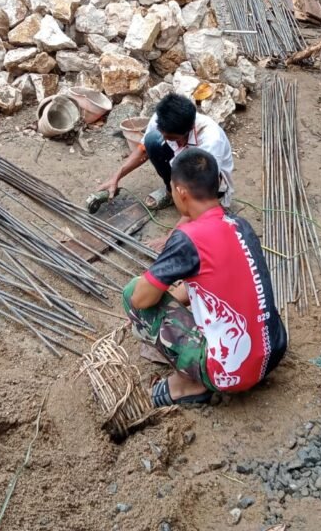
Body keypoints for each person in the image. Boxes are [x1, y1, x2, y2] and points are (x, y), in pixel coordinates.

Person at [123, 148, 287, 406]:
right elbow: (209, 285)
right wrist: (173, 301)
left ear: (181, 192)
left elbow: (141, 299)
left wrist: (156, 305)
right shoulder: (240, 224)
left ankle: (191, 385)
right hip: (274, 352)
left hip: (232, 374)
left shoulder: (189, 238)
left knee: (131, 293)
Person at [100, 93, 234, 211]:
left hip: (210, 184)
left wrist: (173, 234)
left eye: (173, 138)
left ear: (189, 129)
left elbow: (206, 187)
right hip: (187, 168)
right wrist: (116, 177)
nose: (167, 140)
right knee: (153, 140)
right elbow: (142, 151)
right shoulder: (161, 118)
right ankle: (172, 193)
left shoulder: (211, 140)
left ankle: (196, 205)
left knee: (200, 213)